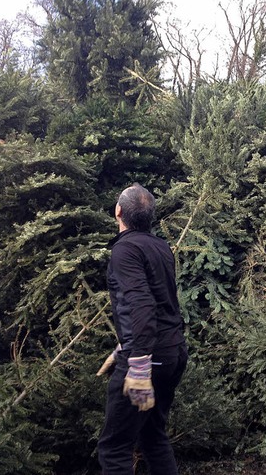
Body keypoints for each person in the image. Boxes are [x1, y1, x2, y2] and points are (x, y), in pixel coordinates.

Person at [98, 183, 188, 475]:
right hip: (172, 354)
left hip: (147, 361)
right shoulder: (160, 246)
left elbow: (144, 307)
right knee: (152, 436)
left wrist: (137, 365)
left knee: (114, 448)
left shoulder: (125, 249)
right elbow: (164, 305)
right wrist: (123, 346)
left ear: (118, 212)